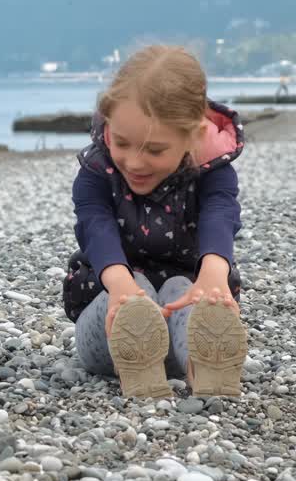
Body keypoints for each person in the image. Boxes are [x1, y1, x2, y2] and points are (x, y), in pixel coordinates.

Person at [63, 45, 247, 397]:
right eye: (122, 143)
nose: (134, 162)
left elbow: (220, 214)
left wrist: (213, 273)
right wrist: (120, 285)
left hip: (180, 319)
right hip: (109, 324)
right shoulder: (95, 171)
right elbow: (95, 226)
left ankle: (205, 364)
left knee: (184, 288)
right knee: (135, 293)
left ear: (193, 135)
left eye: (154, 150)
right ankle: (138, 355)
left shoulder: (213, 173)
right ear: (108, 120)